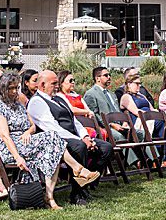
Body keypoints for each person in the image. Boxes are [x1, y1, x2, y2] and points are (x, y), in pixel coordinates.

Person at [0, 72, 99, 210]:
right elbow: (5, 137)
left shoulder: (18, 105)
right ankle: (78, 169)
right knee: (52, 138)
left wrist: (28, 132)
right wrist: (17, 158)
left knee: (53, 150)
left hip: (26, 142)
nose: (14, 92)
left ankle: (50, 197)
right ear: (3, 89)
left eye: (16, 88)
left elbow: (32, 126)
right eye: (10, 88)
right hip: (12, 148)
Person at [27, 70, 112, 206]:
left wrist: (85, 136)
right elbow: (52, 127)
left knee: (106, 148)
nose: (57, 86)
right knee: (80, 147)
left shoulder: (60, 98)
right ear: (42, 85)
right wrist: (80, 140)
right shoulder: (37, 102)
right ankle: (76, 194)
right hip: (57, 141)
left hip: (75, 136)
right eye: (54, 83)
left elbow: (74, 121)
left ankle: (87, 184)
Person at [83, 66, 139, 166]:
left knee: (139, 133)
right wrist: (112, 125)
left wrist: (124, 122)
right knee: (118, 136)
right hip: (105, 127)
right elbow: (94, 115)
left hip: (120, 125)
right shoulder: (90, 94)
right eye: (106, 75)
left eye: (110, 75)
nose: (109, 77)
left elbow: (118, 111)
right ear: (97, 78)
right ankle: (135, 162)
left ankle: (152, 160)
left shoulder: (111, 94)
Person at [57, 71, 103, 139]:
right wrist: (86, 112)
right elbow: (71, 110)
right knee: (91, 133)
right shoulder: (59, 96)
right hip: (75, 125)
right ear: (62, 83)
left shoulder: (77, 95)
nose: (73, 82)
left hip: (87, 123)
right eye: (70, 80)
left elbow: (89, 110)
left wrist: (89, 113)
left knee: (103, 132)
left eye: (73, 80)